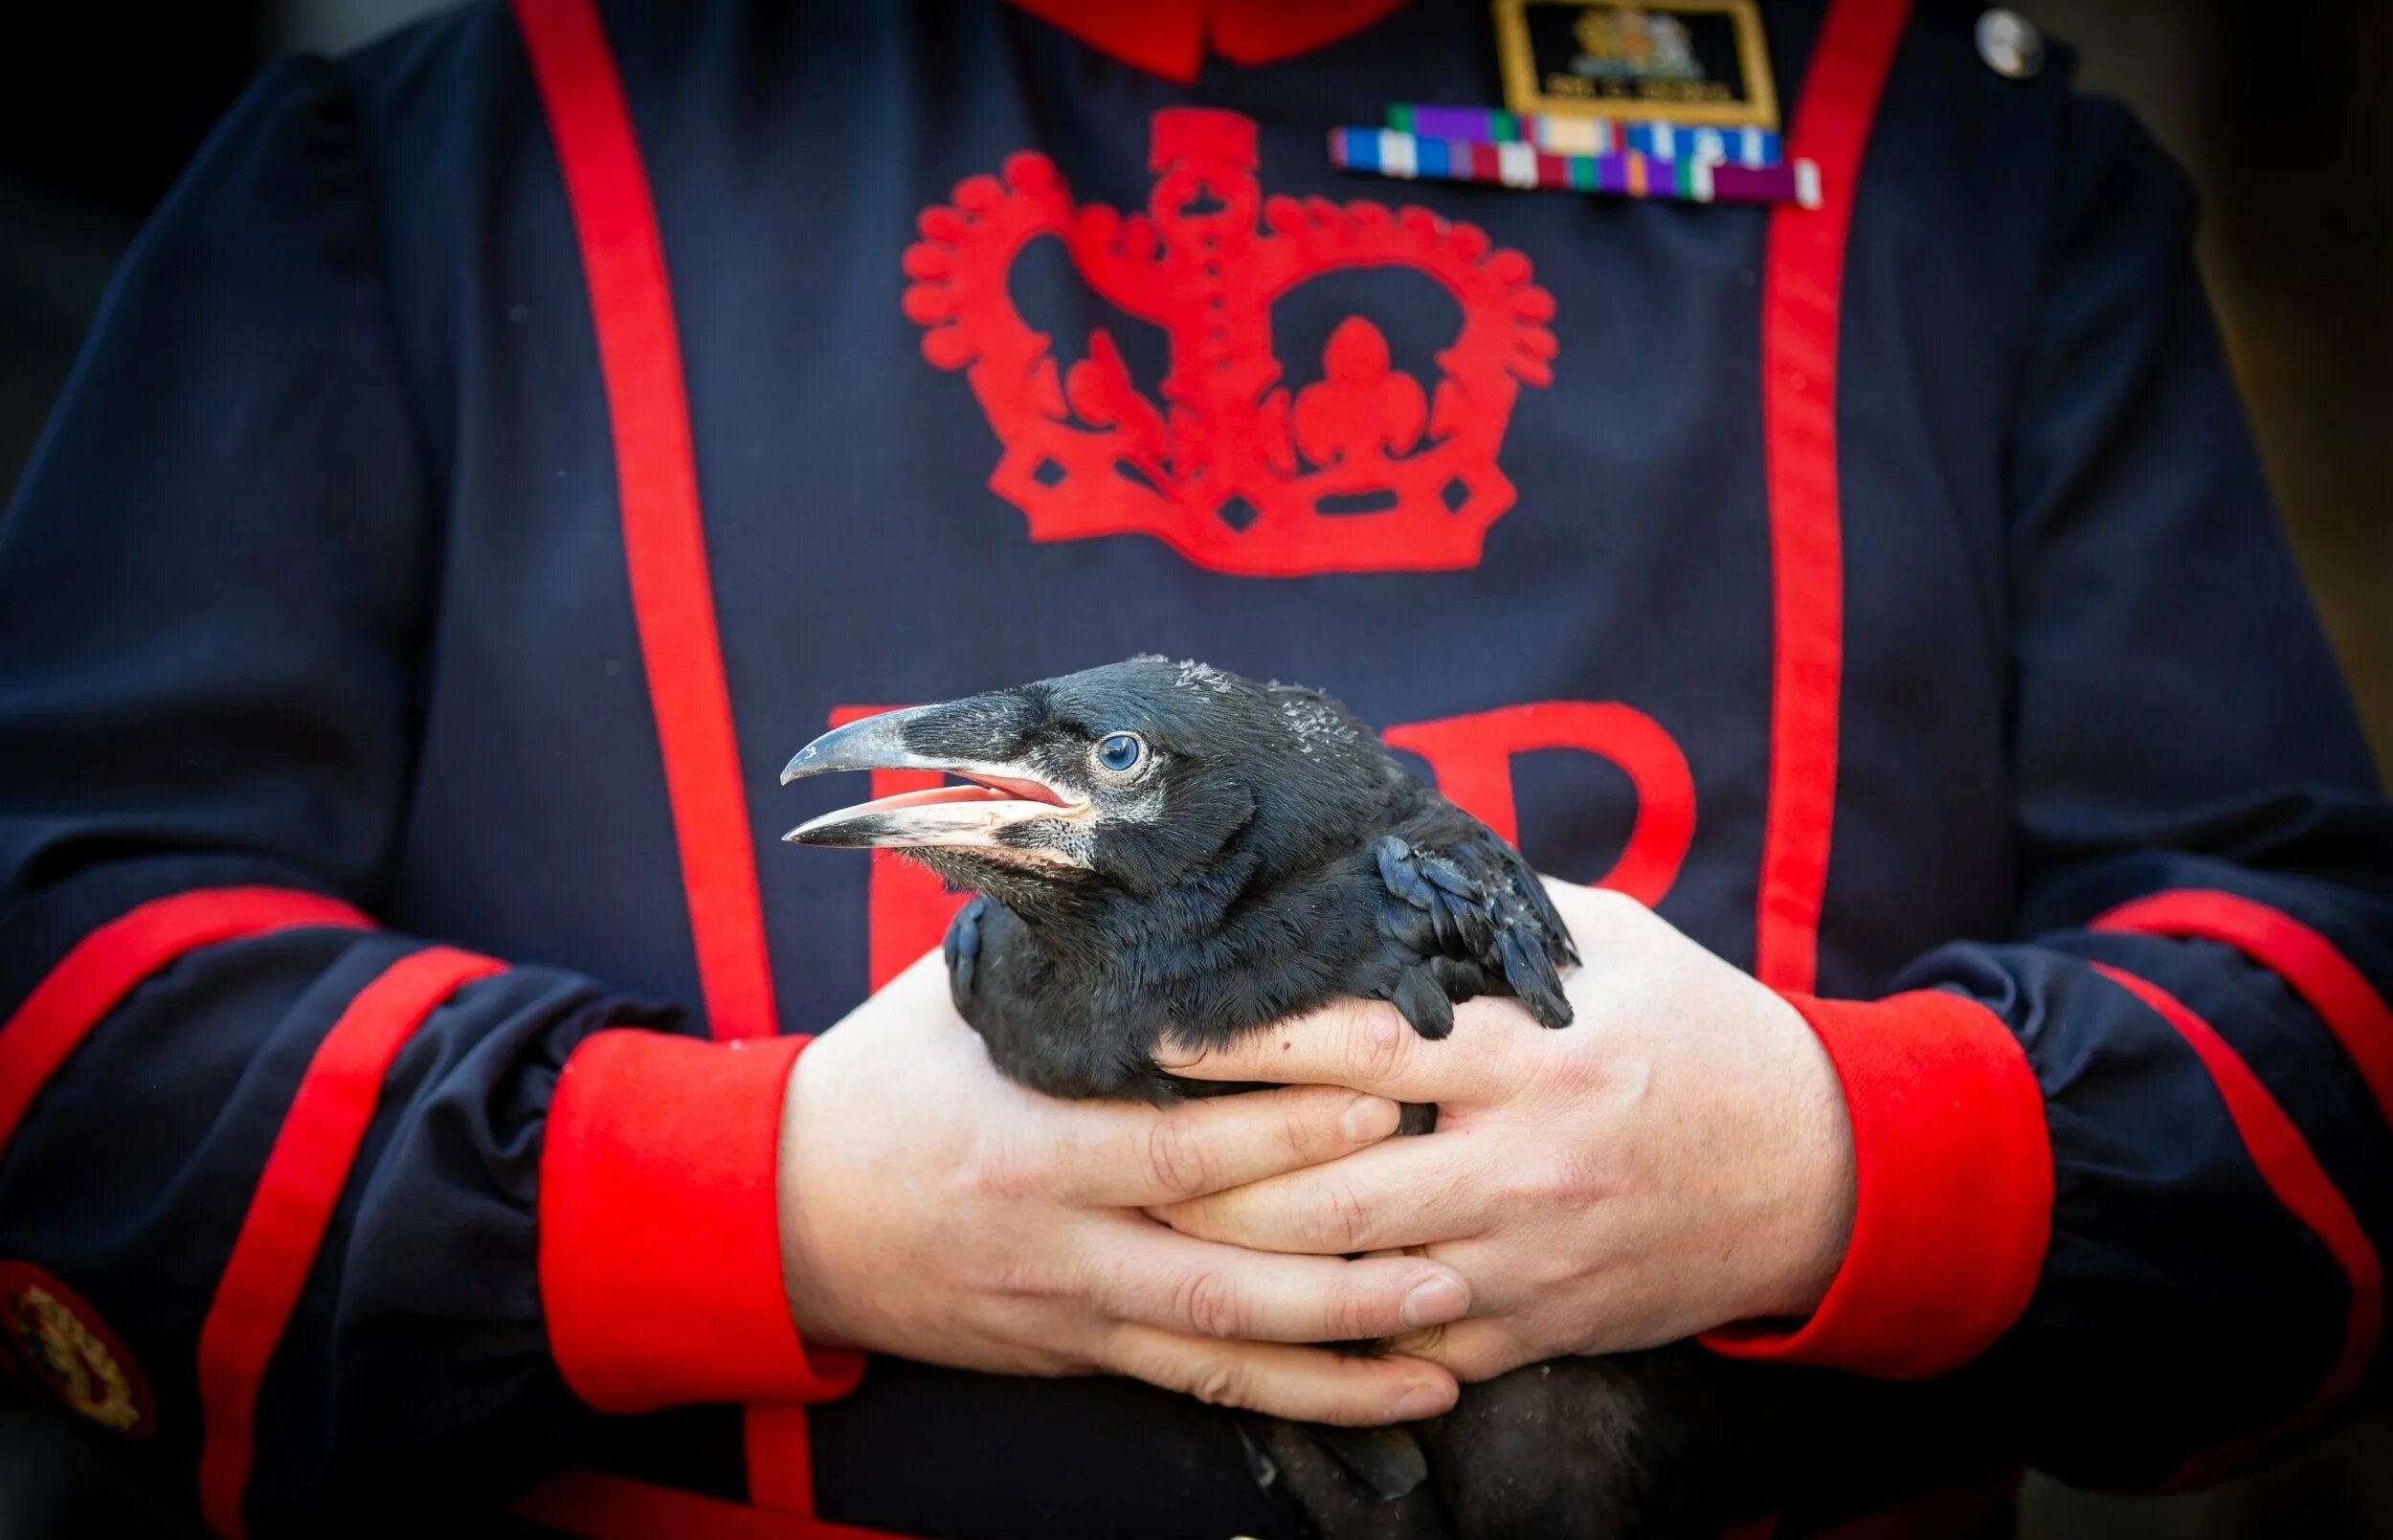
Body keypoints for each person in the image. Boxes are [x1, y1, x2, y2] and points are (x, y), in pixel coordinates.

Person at [2, 1, 2387, 1535]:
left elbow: (2333, 1030)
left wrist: (1838, 1158)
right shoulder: (430, 172)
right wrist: (761, 1200)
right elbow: (56, 1012)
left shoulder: (1955, 178)